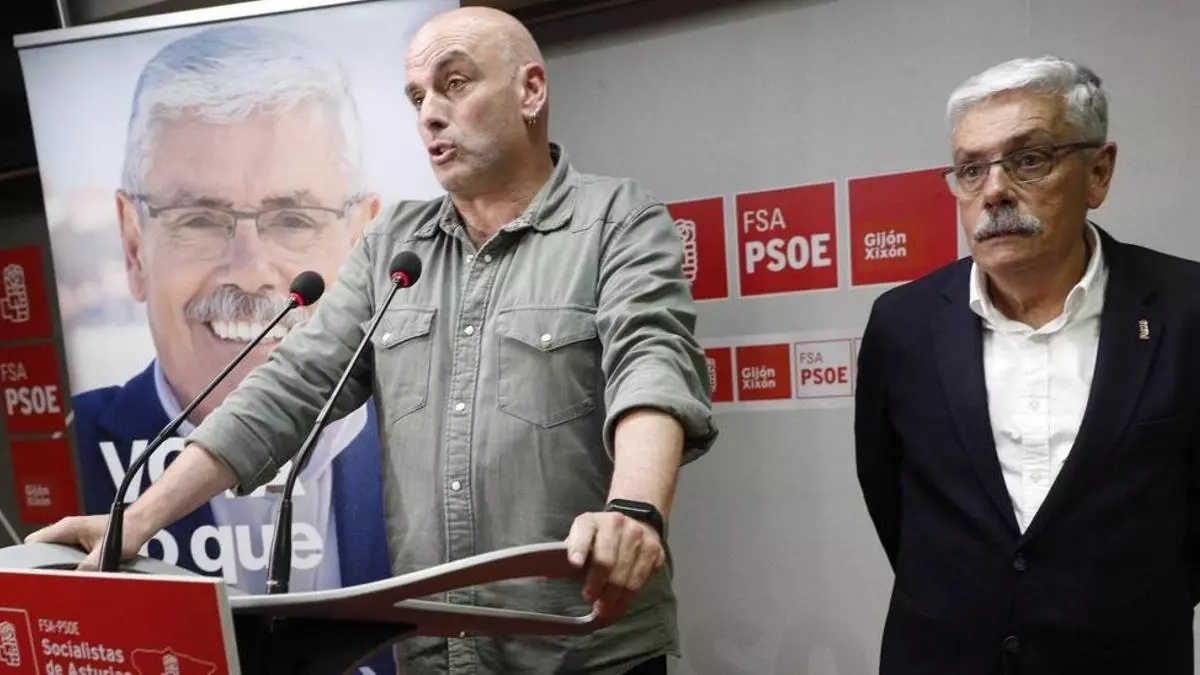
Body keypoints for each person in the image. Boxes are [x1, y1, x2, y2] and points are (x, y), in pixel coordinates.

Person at [32, 6, 717, 675]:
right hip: (439, 651)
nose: (430, 114)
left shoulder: (616, 221)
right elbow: (291, 386)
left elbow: (651, 365)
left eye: (454, 83)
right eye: (417, 97)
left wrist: (634, 511)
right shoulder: (394, 247)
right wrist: (136, 519)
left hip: (578, 646)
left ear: (530, 91)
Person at [855, 54, 1200, 674]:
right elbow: (890, 497)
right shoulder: (902, 323)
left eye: (1029, 159)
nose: (993, 190)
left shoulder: (1187, 308)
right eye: (970, 169)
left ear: (1098, 173)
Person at [67, 24, 390, 599]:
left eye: (293, 219)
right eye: (198, 219)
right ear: (134, 246)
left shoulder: (431, 437)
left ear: (362, 239)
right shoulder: (75, 444)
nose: (249, 270)